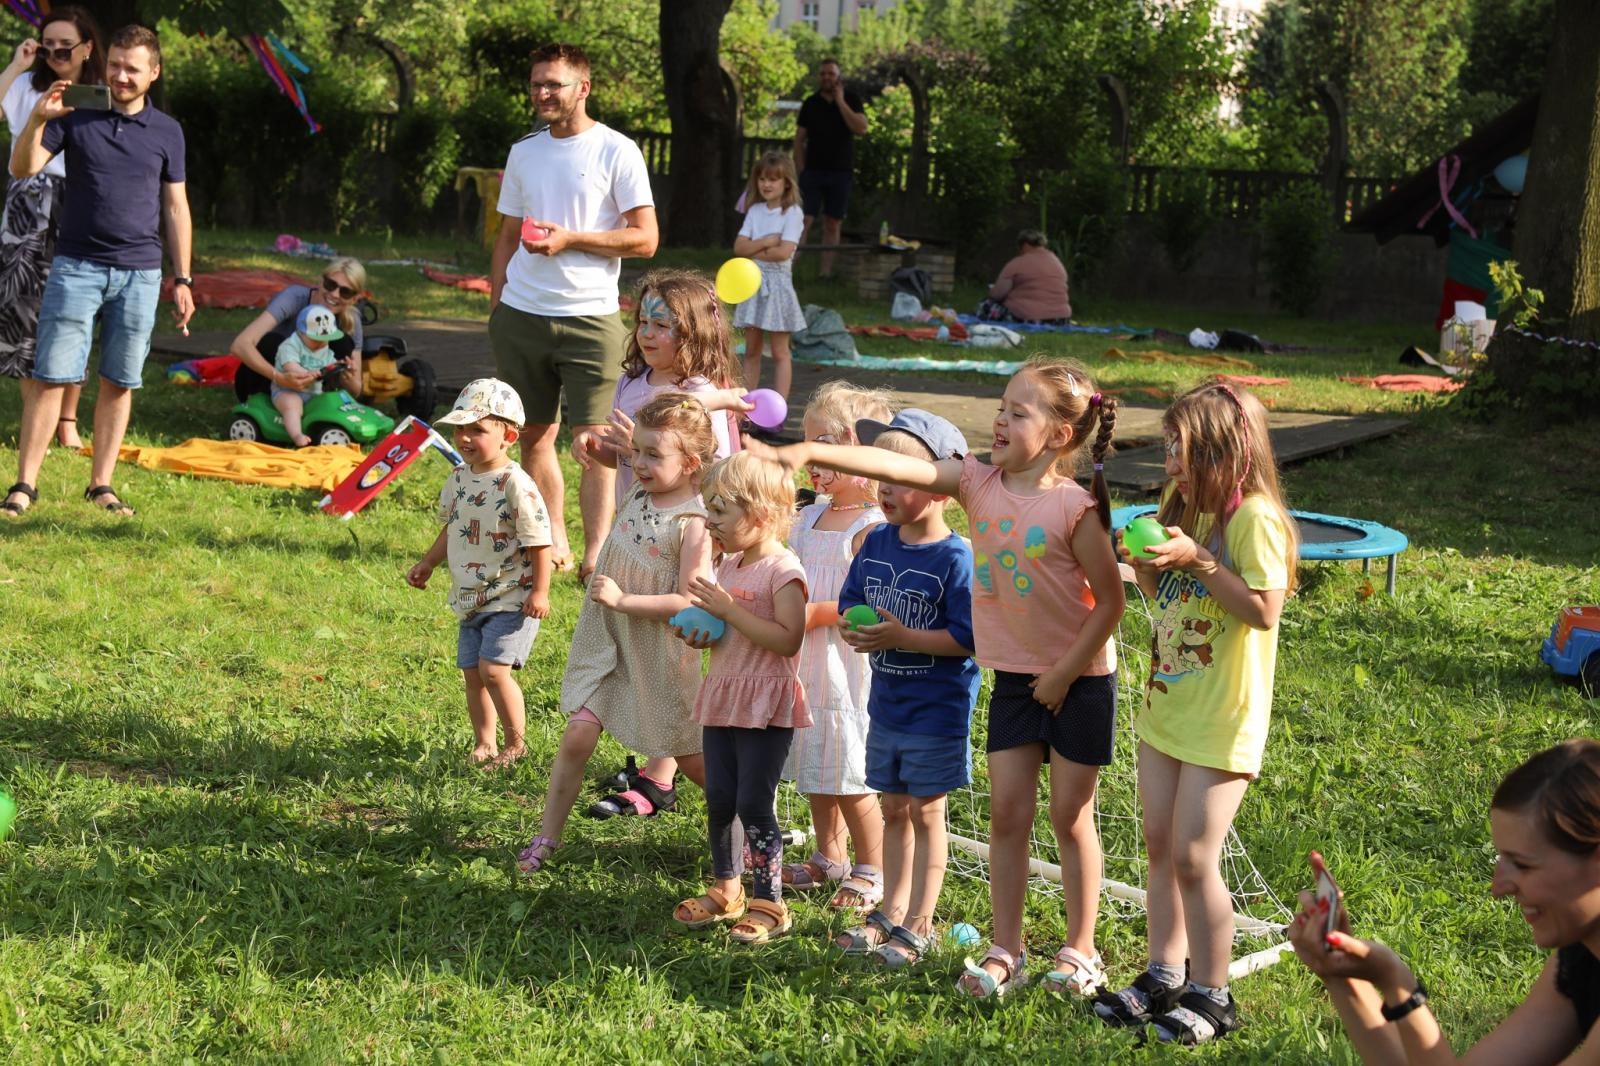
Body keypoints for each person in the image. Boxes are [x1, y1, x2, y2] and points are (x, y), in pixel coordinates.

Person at [745, 356, 1125, 998]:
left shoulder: (1075, 507)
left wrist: (1062, 674)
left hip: (1078, 681)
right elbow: (903, 467)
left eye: (1017, 412)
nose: (1000, 421)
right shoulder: (977, 482)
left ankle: (1081, 949)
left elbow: (1110, 603)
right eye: (1000, 408)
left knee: (1069, 817)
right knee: (1008, 816)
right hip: (1016, 683)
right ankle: (1008, 948)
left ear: (1060, 435)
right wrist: (805, 448)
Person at [1092, 381, 1297, 1044]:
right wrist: (1148, 563)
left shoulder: (1253, 519)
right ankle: (1165, 972)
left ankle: (1215, 993)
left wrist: (1202, 559)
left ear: (1223, 450)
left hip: (1221, 720)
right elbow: (1165, 598)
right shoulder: (1183, 506)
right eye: (1170, 446)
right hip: (1168, 708)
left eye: (1181, 448)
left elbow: (1264, 611)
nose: (1170, 460)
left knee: (1194, 856)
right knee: (1159, 847)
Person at [1291, 739, 1600, 1065]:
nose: (1498, 888)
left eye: (1522, 865)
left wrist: (1398, 983)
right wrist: (1341, 974)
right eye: (1501, 859)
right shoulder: (1583, 956)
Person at [516, 393, 718, 874]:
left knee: (691, 759)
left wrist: (625, 600)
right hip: (608, 642)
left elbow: (691, 602)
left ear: (691, 463)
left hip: (658, 655)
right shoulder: (641, 491)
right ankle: (549, 836)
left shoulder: (694, 524)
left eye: (653, 455)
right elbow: (617, 453)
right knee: (577, 735)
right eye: (637, 451)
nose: (639, 463)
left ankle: (754, 822)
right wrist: (602, 443)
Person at [4, 23, 194, 518]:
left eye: (132, 69)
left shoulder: (168, 132)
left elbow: (176, 207)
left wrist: (184, 278)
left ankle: (102, 485)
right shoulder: (77, 114)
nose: (120, 76)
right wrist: (37, 122)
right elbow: (22, 168)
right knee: (50, 376)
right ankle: (25, 485)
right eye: (114, 65)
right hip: (76, 267)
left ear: (154, 73)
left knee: (119, 380)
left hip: (140, 273)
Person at [490, 41, 659, 583]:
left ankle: (597, 554)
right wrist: (497, 305)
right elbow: (505, 236)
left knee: (595, 445)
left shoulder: (617, 151)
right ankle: (553, 539)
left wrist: (573, 241)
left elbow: (646, 239)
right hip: (522, 314)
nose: (542, 92)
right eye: (537, 82)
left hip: (590, 318)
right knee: (535, 435)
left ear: (582, 88)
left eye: (554, 84)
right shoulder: (525, 152)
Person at [831, 410, 980, 969]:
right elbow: (850, 600)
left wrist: (903, 636)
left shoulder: (955, 558)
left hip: (936, 712)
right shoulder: (877, 543)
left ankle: (920, 922)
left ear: (941, 488)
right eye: (881, 474)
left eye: (900, 476)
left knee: (926, 812)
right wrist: (852, 623)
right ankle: (889, 912)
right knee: (893, 807)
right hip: (887, 705)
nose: (884, 487)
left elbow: (968, 639)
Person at [671, 452, 809, 944]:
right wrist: (703, 633)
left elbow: (788, 639)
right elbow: (727, 633)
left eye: (720, 511)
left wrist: (729, 611)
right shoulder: (729, 564)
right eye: (709, 509)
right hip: (725, 695)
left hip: (766, 705)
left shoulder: (783, 570)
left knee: (754, 801)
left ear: (761, 515)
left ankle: (770, 900)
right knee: (720, 798)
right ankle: (727, 888)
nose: (711, 522)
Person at [781, 383, 890, 910]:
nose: (814, 461)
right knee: (815, 763)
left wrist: (813, 615)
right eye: (809, 447)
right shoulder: (807, 517)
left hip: (843, 665)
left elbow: (864, 604)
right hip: (804, 662)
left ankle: (873, 868)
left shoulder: (872, 528)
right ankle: (830, 857)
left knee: (849, 769)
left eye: (825, 447)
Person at [406, 379, 553, 768]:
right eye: (460, 429)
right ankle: (484, 742)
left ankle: (516, 744)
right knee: (473, 674)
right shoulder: (458, 477)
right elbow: (451, 526)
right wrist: (428, 562)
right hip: (471, 597)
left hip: (511, 596)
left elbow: (539, 541)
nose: (465, 438)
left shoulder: (516, 484)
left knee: (494, 670)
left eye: (477, 429)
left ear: (507, 435)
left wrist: (540, 591)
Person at [0, 7, 103, 449]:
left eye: (66, 45)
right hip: (27, 200)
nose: (56, 52)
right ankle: (34, 414)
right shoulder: (26, 84)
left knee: (76, 306)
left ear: (87, 48)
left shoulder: (99, 93)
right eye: (48, 44)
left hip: (82, 199)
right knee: (24, 306)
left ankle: (67, 419)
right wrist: (17, 64)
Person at [575, 268, 746, 509]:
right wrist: (595, 445)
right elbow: (621, 456)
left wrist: (640, 448)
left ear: (691, 334)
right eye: (643, 322)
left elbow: (715, 467)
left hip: (680, 522)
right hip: (632, 519)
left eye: (660, 325)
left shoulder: (702, 393)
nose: (646, 333)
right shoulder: (630, 382)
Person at [229, 257, 368, 400]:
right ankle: (264, 406)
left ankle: (314, 405)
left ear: (354, 299)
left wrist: (347, 379)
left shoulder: (351, 321)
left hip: (311, 391)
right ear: (320, 281)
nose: (334, 294)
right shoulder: (294, 297)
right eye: (330, 284)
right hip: (265, 383)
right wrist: (280, 378)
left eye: (345, 292)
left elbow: (356, 390)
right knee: (272, 341)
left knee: (342, 342)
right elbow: (240, 345)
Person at [733, 151, 806, 402]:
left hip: (779, 288)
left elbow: (784, 252)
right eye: (762, 178)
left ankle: (780, 408)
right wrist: (765, 242)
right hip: (752, 284)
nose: (766, 184)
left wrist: (754, 249)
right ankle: (746, 406)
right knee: (751, 350)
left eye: (773, 179)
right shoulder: (754, 211)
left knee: (779, 352)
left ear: (786, 182)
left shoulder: (792, 213)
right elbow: (739, 248)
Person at [793, 58, 867, 281]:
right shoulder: (810, 103)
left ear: (838, 77)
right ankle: (790, 271)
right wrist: (801, 169)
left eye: (831, 74)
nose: (827, 77)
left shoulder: (852, 99)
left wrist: (840, 101)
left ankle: (825, 274)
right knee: (803, 221)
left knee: (832, 223)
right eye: (823, 74)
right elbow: (799, 140)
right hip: (813, 172)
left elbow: (861, 128)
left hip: (840, 172)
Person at [270, 305, 345, 447]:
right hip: (287, 389)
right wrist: (305, 373)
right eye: (316, 339)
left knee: (333, 400)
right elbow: (290, 366)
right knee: (292, 405)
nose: (321, 343)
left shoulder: (324, 348)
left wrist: (340, 366)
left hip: (315, 392)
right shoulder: (290, 346)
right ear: (301, 333)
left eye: (326, 339)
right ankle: (297, 435)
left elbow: (330, 366)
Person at [976, 230, 1073, 325]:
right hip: (1061, 318)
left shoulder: (1017, 263)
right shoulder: (1057, 262)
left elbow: (998, 294)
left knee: (986, 304)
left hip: (1030, 317)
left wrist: (992, 290)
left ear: (1025, 245)